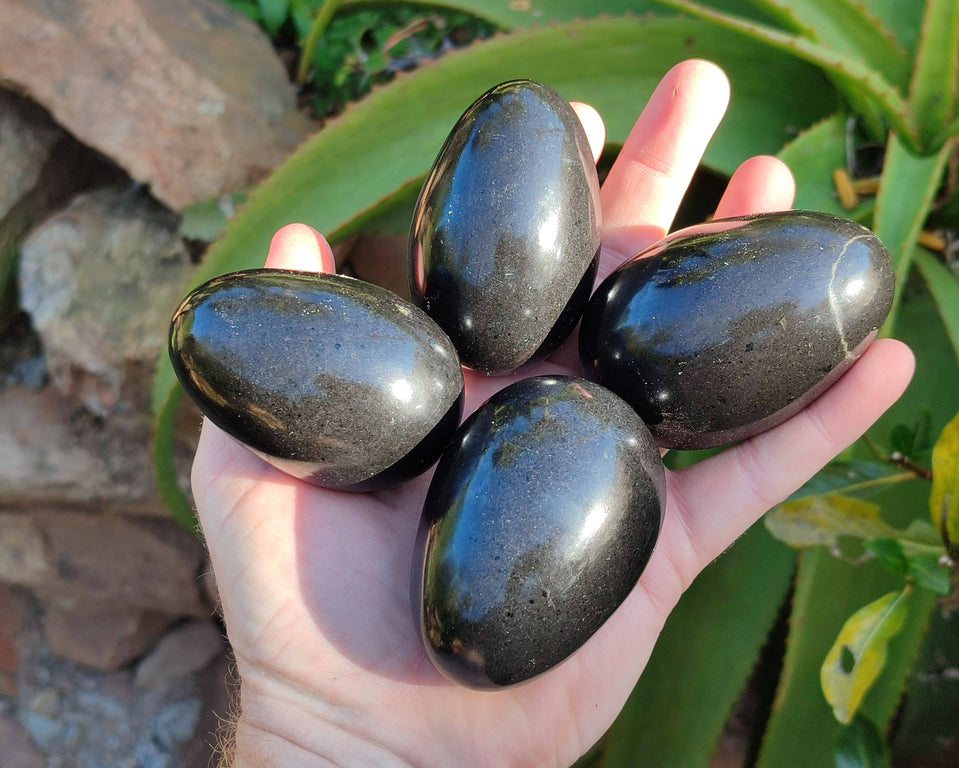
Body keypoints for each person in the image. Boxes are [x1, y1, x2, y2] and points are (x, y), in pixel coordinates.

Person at [192, 59, 915, 767]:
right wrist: (334, 741)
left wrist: (333, 745)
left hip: (584, 400)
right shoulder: (499, 394)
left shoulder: (550, 397)